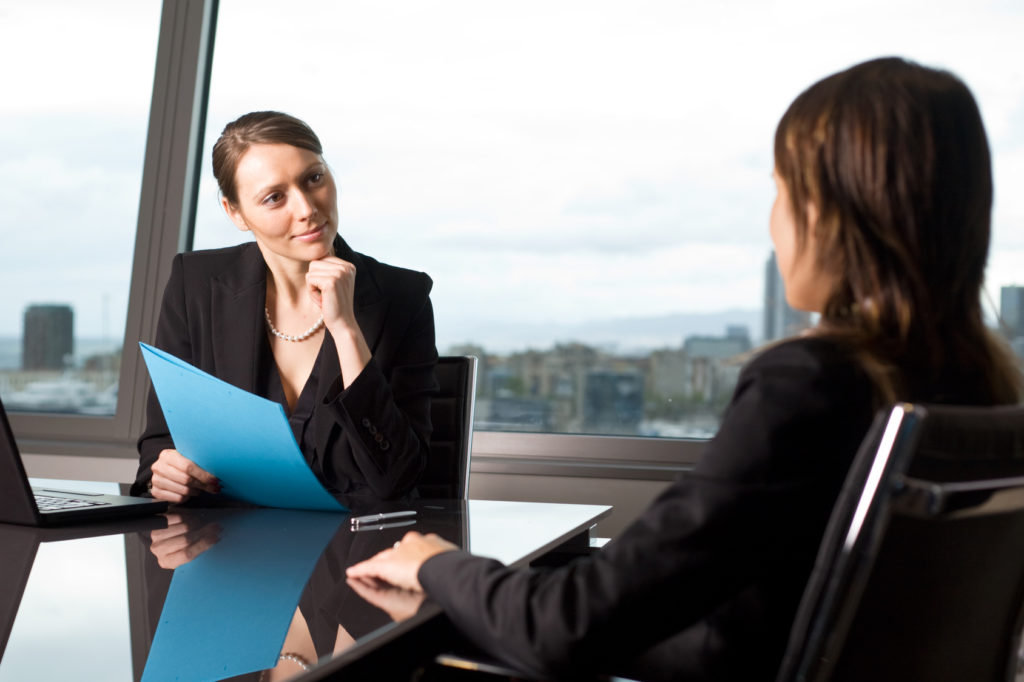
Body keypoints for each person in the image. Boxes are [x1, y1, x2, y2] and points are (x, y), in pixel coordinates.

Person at [346, 57, 1022, 680]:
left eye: (780, 190)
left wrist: (438, 565)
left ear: (825, 212)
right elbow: (743, 628)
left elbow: (567, 628)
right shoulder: (980, 389)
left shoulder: (811, 387)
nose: (774, 221)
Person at [133, 111, 438, 503]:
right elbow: (159, 446)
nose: (307, 208)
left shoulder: (403, 296)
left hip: (358, 537)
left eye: (314, 178)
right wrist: (165, 474)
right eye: (275, 197)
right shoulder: (195, 284)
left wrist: (346, 329)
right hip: (228, 536)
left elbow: (398, 477)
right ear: (235, 212)